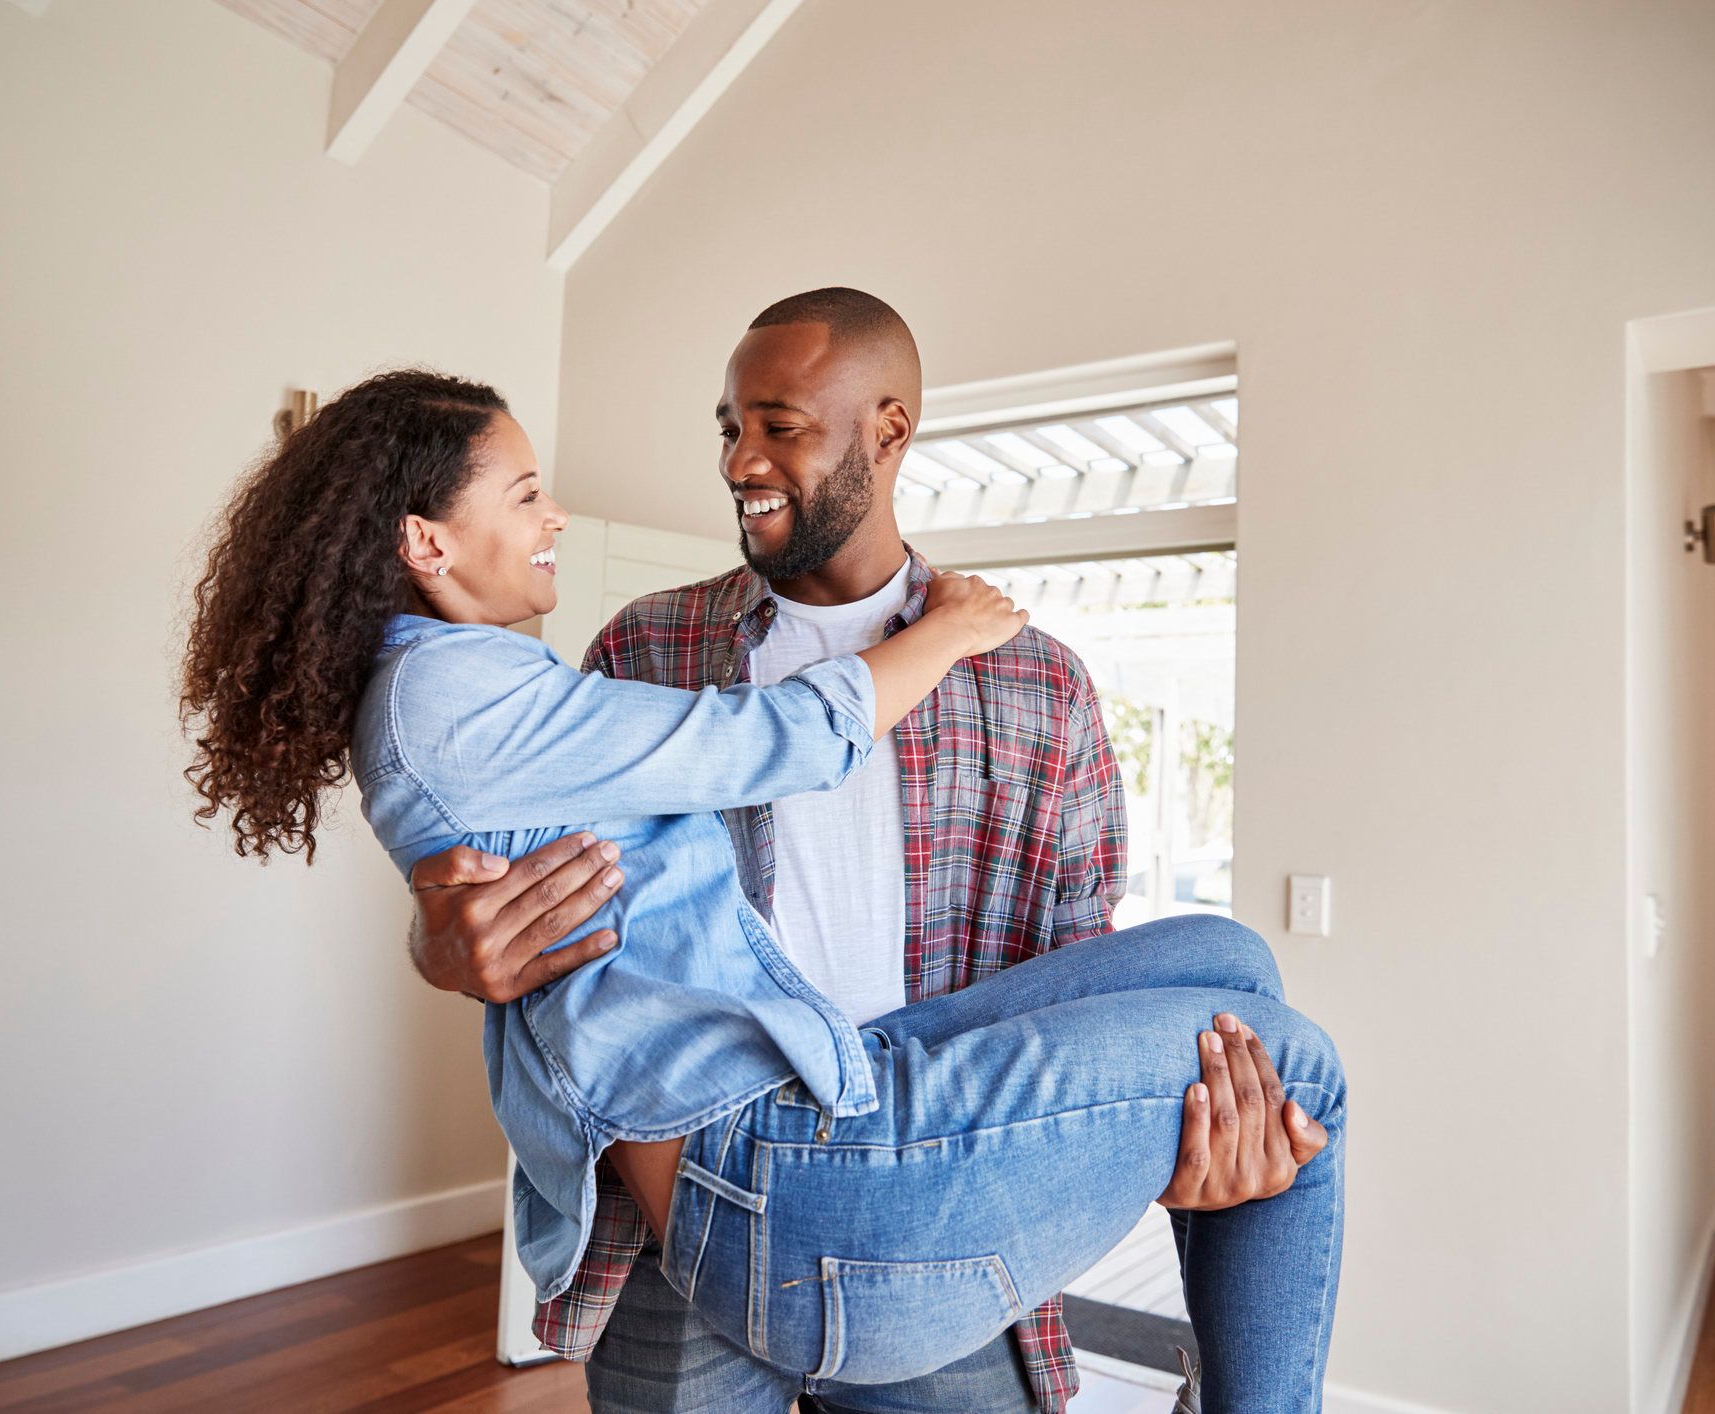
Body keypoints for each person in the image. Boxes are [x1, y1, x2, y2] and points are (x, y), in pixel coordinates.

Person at [179, 360, 1349, 1411]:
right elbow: (552, 828)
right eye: (729, 425)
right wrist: (440, 944)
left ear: (888, 430)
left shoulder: (1038, 682)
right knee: (1306, 1060)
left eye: (777, 425)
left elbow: (1080, 960)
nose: (739, 458)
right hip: (741, 1184)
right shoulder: (634, 650)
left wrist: (1166, 1147)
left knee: (1234, 970)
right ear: (426, 542)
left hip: (898, 1110)